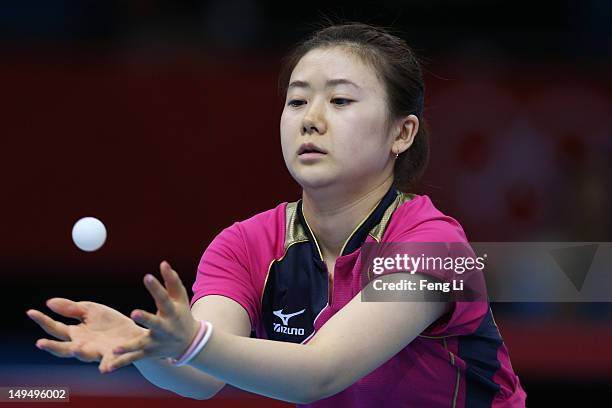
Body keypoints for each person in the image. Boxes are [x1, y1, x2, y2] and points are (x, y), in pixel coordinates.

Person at [27, 22, 527, 407]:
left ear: (402, 134)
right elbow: (202, 375)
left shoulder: (435, 250)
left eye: (340, 100)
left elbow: (321, 371)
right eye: (296, 100)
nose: (311, 117)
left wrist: (191, 343)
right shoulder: (245, 245)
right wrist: (150, 350)